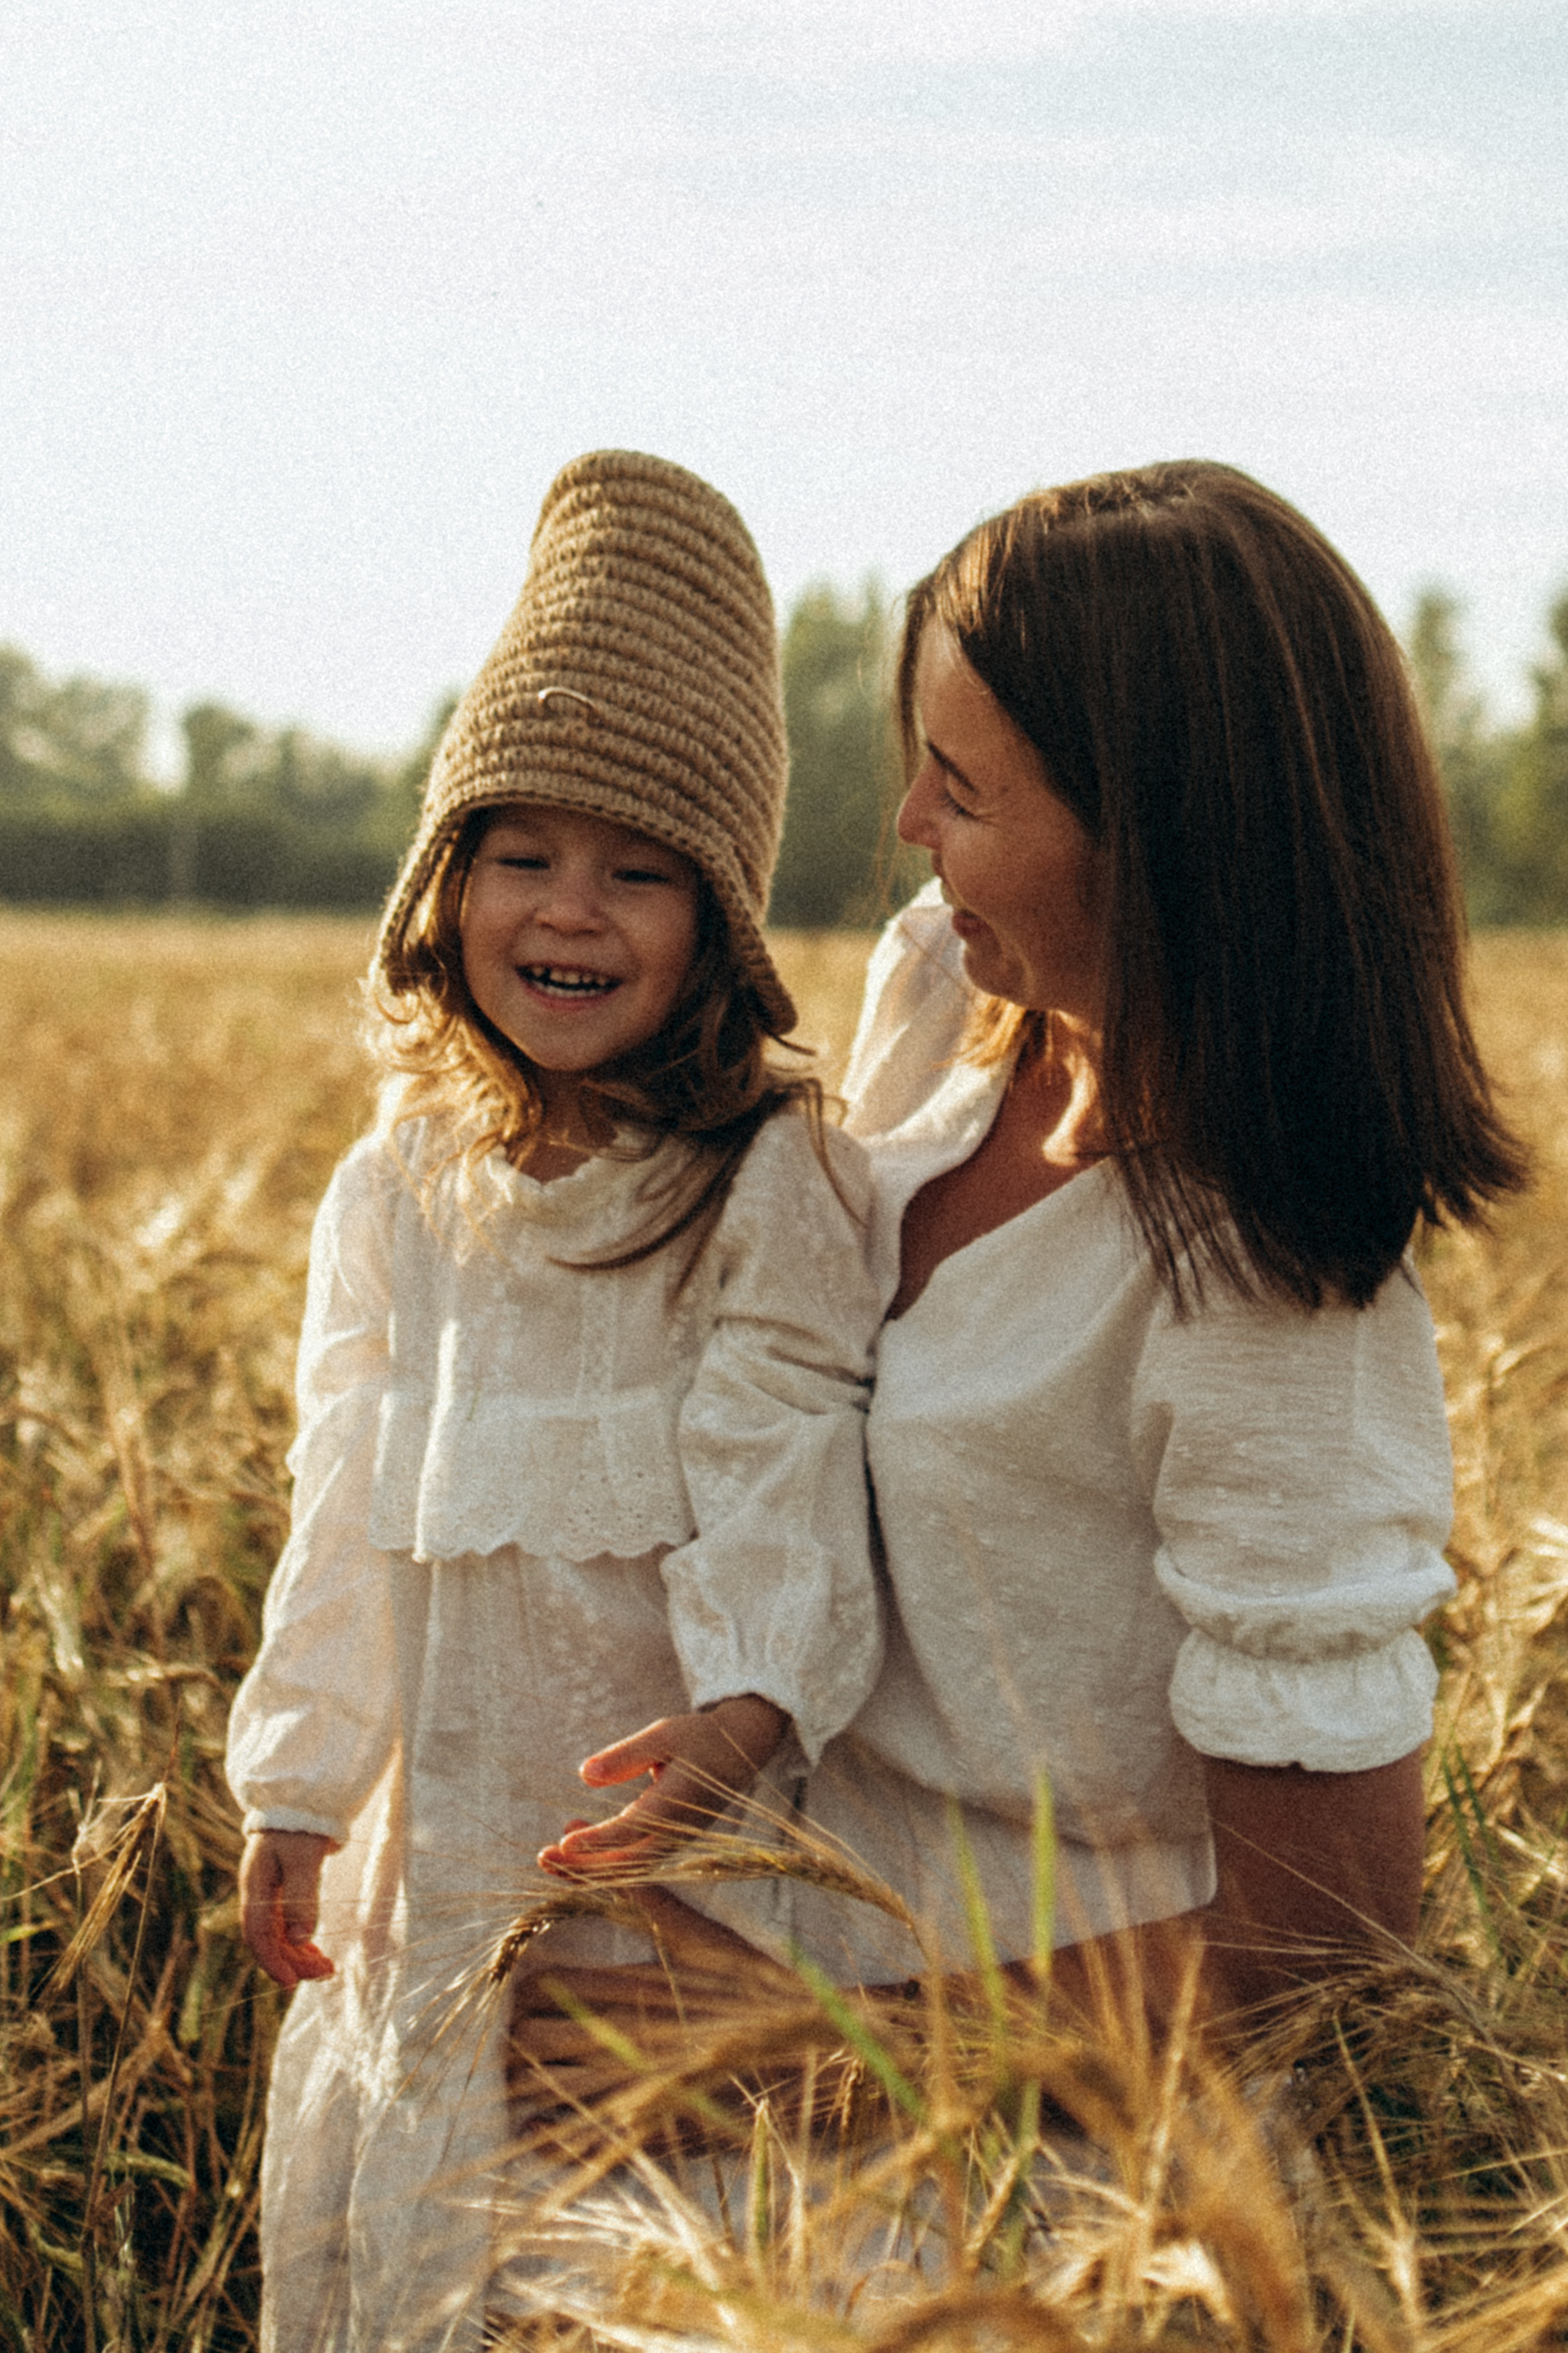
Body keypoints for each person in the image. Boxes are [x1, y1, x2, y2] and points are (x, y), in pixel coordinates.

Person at [538, 459, 1525, 2038]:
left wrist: (789, 2056)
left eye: (968, 790)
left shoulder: (1274, 1300)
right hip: (759, 1978)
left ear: (1158, 841)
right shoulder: (945, 1000)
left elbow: (1320, 1939)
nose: (912, 825)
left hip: (1045, 2155)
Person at [226, 450, 882, 2352]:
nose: (567, 909)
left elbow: (787, 1474)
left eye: (636, 867)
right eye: (521, 852)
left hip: (644, 1899)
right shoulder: (397, 1188)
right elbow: (339, 1498)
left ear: (716, 920)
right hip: (419, 1882)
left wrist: (747, 1712)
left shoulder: (758, 1184)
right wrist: (294, 1784)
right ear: (447, 882)